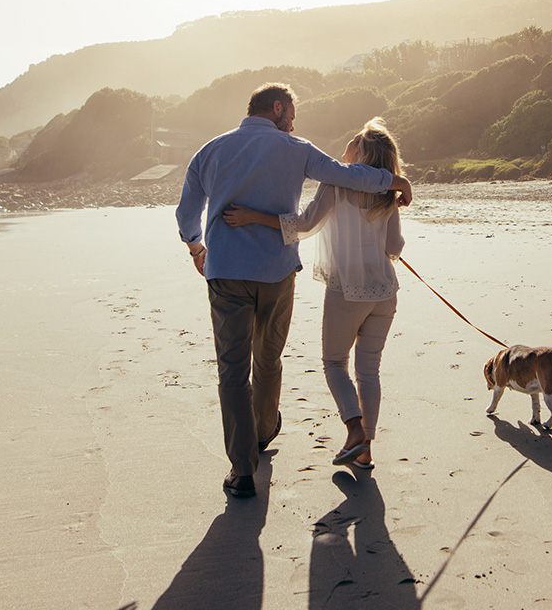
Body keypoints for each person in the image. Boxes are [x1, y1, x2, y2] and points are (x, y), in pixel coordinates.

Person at [176, 86, 412, 498]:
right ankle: (269, 430)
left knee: (233, 370)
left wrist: (197, 246)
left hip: (226, 270)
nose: (295, 122)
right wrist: (392, 179)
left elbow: (186, 213)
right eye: (293, 113)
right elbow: (348, 177)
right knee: (269, 360)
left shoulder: (209, 150)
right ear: (279, 108)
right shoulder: (297, 148)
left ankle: (242, 468)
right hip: (278, 273)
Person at [222, 117, 404, 470]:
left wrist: (252, 217)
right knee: (370, 371)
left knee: (335, 363)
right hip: (384, 293)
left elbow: (302, 225)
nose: (347, 143)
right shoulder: (388, 195)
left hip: (347, 293)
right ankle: (365, 447)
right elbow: (395, 248)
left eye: (354, 139)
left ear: (361, 152)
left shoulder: (336, 185)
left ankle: (354, 432)